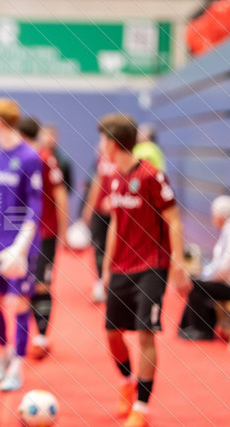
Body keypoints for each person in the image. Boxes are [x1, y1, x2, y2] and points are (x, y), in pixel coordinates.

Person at [98, 113, 192, 427]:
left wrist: (178, 263)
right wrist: (106, 267)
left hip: (152, 266)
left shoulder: (152, 175)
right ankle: (127, 382)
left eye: (103, 140)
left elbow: (173, 219)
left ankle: (142, 406)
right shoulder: (113, 177)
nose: (101, 145)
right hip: (121, 267)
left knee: (145, 334)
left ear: (113, 144)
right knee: (112, 333)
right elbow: (115, 223)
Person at [0, 99, 42, 392]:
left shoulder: (29, 157)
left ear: (0, 122)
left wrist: (22, 245)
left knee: (18, 304)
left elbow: (36, 204)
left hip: (18, 245)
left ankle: (18, 365)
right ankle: (5, 353)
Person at [19, 117, 68, 359]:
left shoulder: (46, 158)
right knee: (25, 285)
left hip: (45, 233)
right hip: (22, 235)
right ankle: (27, 336)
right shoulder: (14, 158)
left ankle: (41, 336)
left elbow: (60, 195)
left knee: (42, 284)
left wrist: (64, 230)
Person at [179, 195, 230, 340]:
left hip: (226, 283)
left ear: (220, 215)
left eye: (214, 214)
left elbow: (225, 266)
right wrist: (204, 276)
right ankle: (187, 327)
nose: (212, 217)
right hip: (222, 281)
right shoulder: (226, 230)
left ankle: (203, 330)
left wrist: (206, 277)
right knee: (196, 283)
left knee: (195, 286)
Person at [81, 139, 118, 303]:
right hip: (99, 212)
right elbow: (97, 181)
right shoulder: (102, 156)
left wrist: (114, 200)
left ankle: (113, 283)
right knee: (98, 247)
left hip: (117, 212)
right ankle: (101, 281)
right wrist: (89, 207)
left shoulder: (126, 157)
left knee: (115, 248)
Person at [39, 124, 73, 192]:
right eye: (46, 134)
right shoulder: (35, 157)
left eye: (52, 135)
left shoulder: (63, 161)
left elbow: (66, 187)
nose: (49, 138)